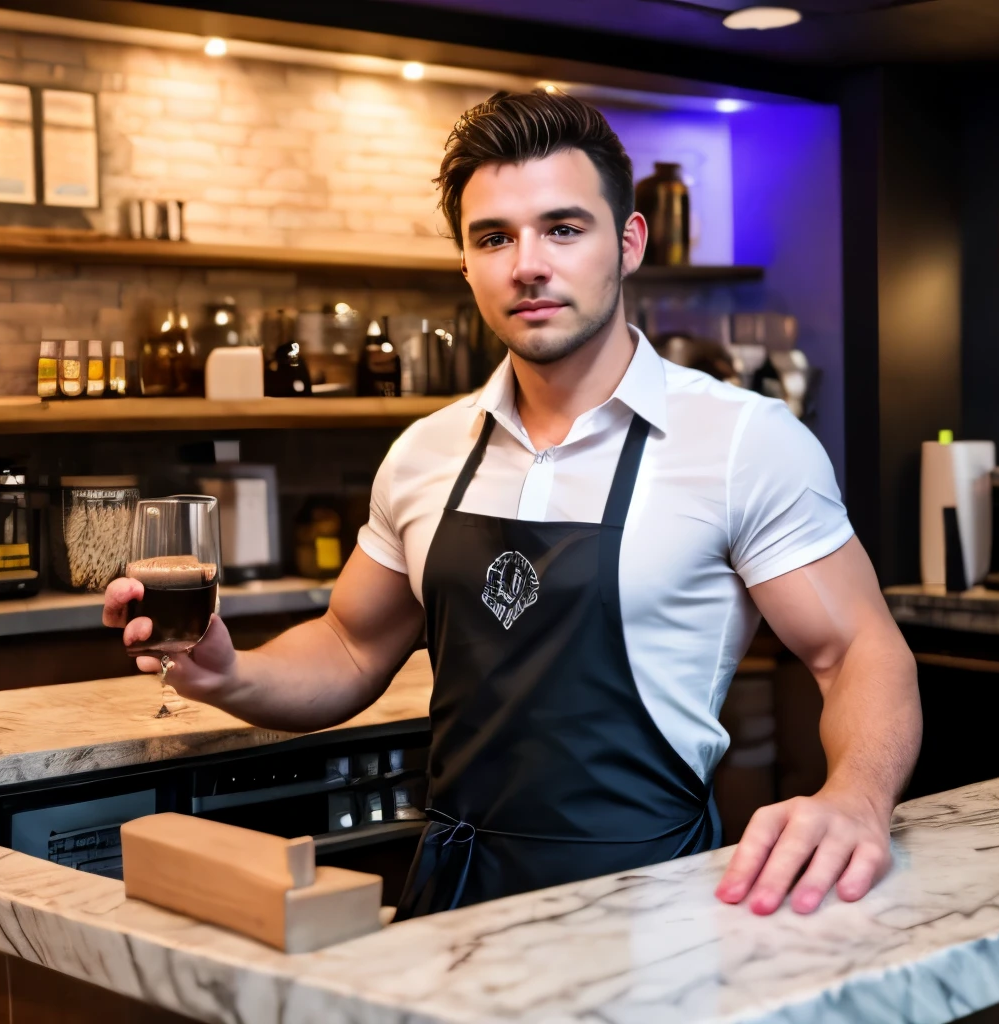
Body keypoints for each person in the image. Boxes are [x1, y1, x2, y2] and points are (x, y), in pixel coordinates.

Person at [104, 89, 920, 919]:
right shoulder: (426, 451)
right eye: (494, 237)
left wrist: (855, 798)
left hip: (651, 909)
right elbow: (350, 646)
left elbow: (858, 651)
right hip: (451, 899)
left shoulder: (742, 440)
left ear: (628, 242)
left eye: (563, 228)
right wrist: (232, 675)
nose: (528, 263)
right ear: (465, 262)